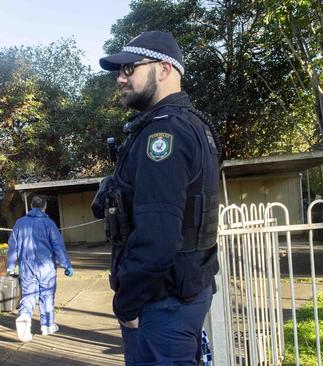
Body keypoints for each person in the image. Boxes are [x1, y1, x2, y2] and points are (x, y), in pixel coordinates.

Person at [94, 31, 221, 365]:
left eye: (129, 68)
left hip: (161, 303)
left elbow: (158, 237)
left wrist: (127, 303)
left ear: (164, 69)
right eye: (118, 72)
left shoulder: (161, 136)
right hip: (185, 293)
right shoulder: (192, 125)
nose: (120, 78)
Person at [6, 195, 73, 342]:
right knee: (47, 295)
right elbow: (58, 246)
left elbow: (13, 247)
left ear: (31, 206)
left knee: (29, 295)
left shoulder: (19, 223)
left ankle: (24, 316)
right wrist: (66, 265)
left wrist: (11, 266)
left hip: (27, 266)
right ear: (45, 206)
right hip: (46, 266)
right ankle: (47, 325)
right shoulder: (49, 224)